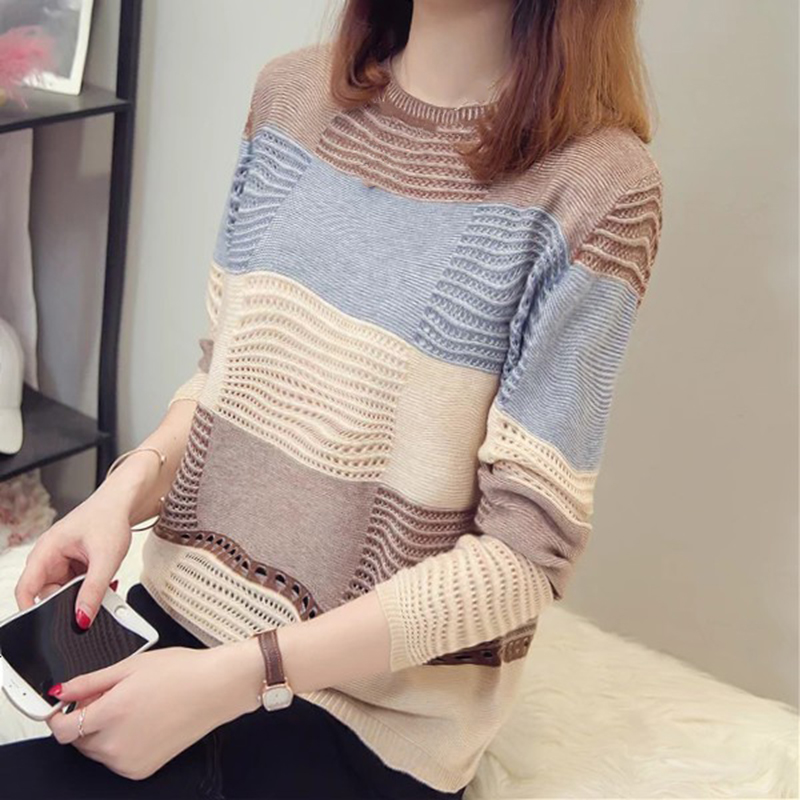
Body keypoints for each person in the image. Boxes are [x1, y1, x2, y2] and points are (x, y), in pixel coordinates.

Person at [0, 0, 664, 797]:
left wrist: (243, 675)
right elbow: (223, 382)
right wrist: (123, 490)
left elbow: (525, 557)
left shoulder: (599, 188)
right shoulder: (287, 98)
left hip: (361, 717)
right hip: (175, 624)